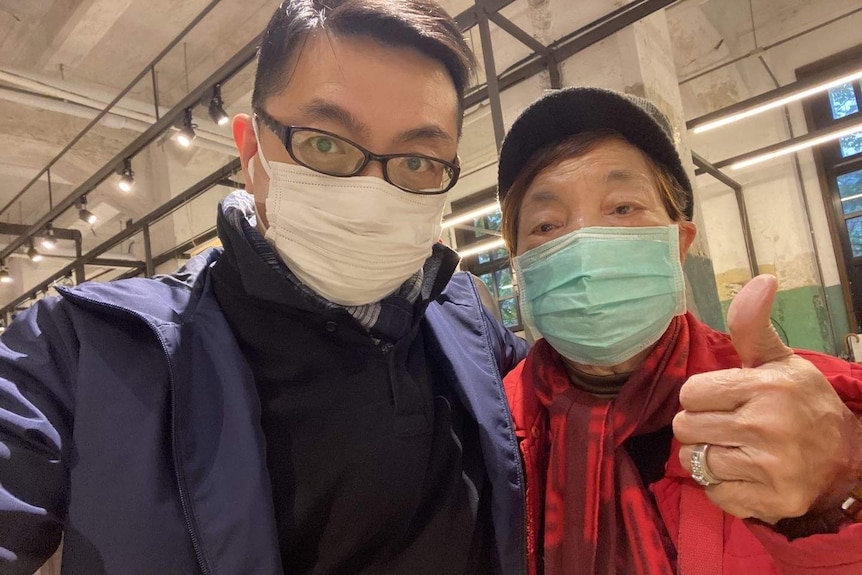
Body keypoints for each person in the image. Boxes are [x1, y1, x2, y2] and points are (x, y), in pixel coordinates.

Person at [0, 2, 531, 574]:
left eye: (419, 161)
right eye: (325, 143)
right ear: (252, 152)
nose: (372, 190)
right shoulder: (85, 348)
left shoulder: (471, 324)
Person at [496, 87, 862, 574]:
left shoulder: (810, 398)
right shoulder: (492, 423)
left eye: (623, 208)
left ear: (679, 242)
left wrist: (843, 475)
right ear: (520, 269)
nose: (583, 242)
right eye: (545, 225)